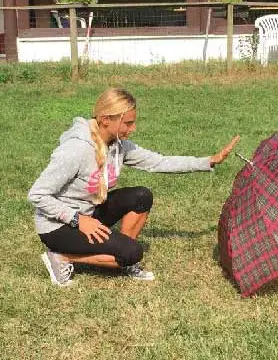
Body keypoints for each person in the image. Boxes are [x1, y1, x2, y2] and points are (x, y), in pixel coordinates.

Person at [28, 87, 240, 286]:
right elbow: (37, 194)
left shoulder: (118, 145)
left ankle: (121, 255)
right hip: (58, 225)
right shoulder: (76, 149)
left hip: (89, 212)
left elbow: (158, 162)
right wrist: (77, 219)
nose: (133, 128)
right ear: (105, 120)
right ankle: (61, 256)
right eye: (128, 123)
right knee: (132, 253)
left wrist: (208, 161)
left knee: (141, 196)